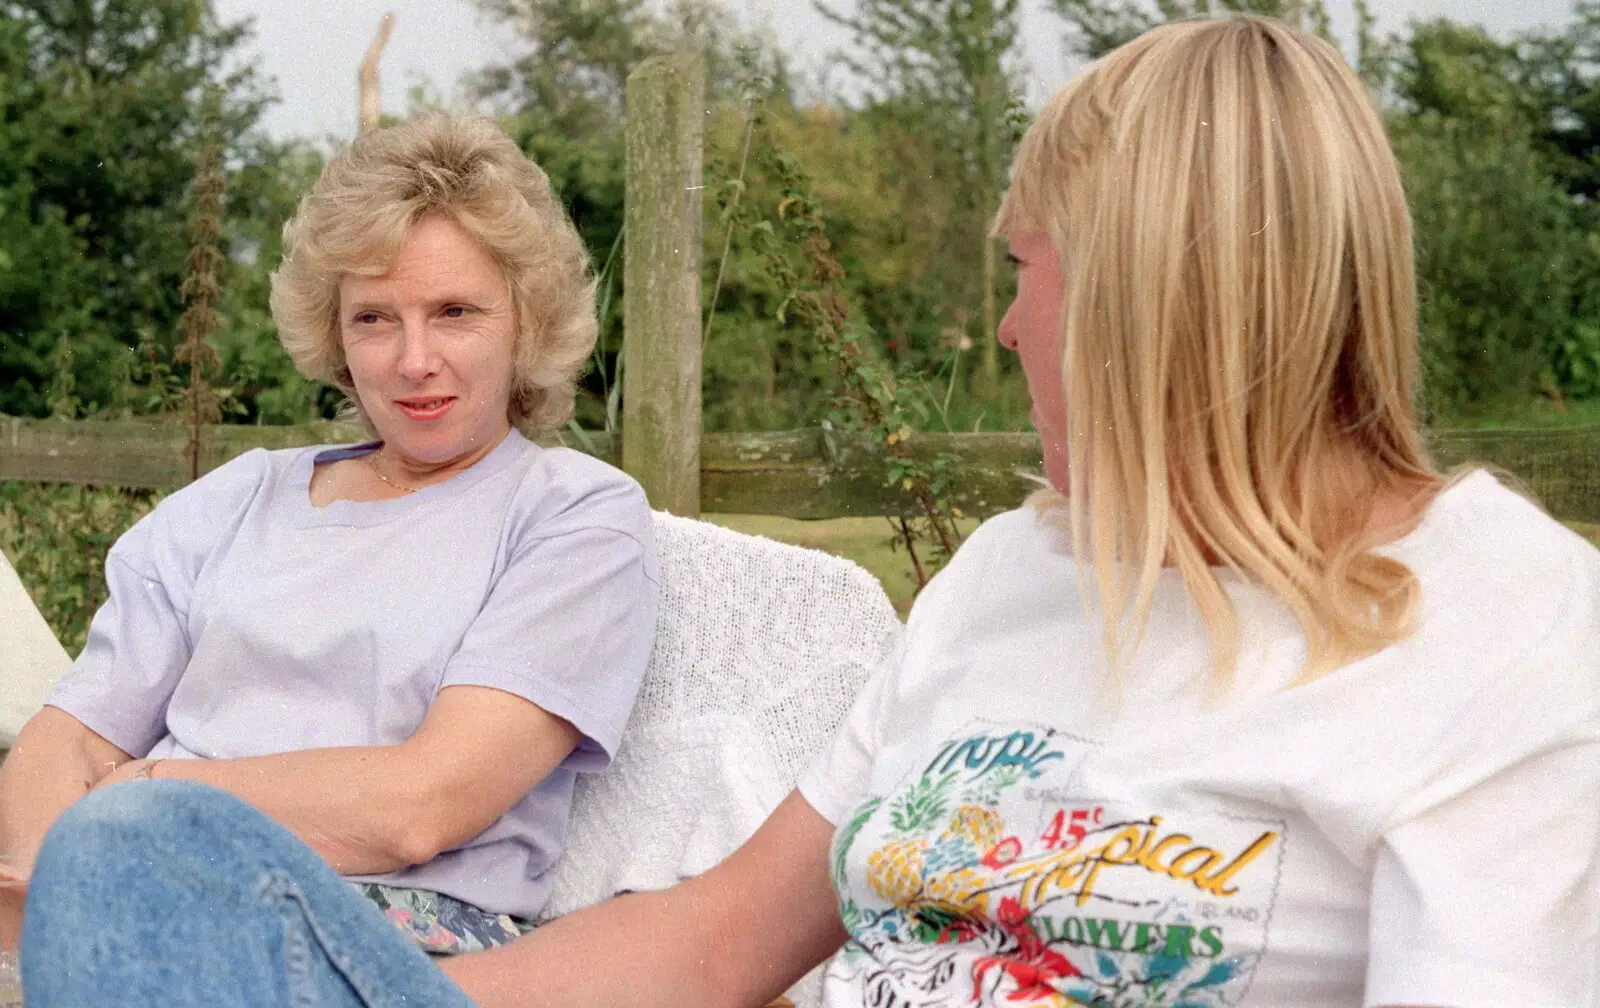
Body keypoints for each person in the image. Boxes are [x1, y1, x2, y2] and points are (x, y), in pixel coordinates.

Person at [19, 15, 1600, 1008]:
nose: (1003, 330)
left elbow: (435, 801)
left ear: (1151, 297)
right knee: (143, 867)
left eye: (1023, 271)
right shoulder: (1016, 575)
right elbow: (715, 944)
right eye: (376, 322)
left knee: (146, 837)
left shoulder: (1513, 639)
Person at [0, 112, 660, 964]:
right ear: (335, 336)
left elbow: (423, 806)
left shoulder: (573, 516)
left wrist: (152, 801)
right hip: (144, 887)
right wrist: (62, 885)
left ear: (526, 324)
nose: (413, 360)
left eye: (455, 311)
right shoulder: (240, 497)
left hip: (397, 935)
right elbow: (70, 737)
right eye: (375, 319)